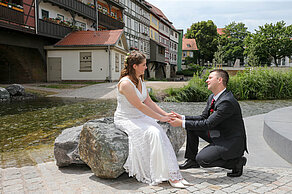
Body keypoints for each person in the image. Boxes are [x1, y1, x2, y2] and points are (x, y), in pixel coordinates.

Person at [114, 51, 191, 188]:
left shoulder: (140, 79)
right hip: (127, 118)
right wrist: (161, 118)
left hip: (140, 116)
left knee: (159, 131)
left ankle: (173, 174)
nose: (146, 67)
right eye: (143, 65)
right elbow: (139, 105)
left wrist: (165, 115)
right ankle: (161, 174)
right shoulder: (125, 83)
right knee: (153, 133)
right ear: (134, 66)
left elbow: (149, 102)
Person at [169, 69, 248, 177]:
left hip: (230, 142)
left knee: (203, 160)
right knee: (191, 126)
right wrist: (182, 118)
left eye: (210, 78)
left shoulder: (227, 102)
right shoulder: (213, 97)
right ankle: (192, 161)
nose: (207, 80)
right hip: (218, 134)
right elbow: (203, 118)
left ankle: (236, 163)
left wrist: (181, 123)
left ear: (219, 80)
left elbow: (207, 124)